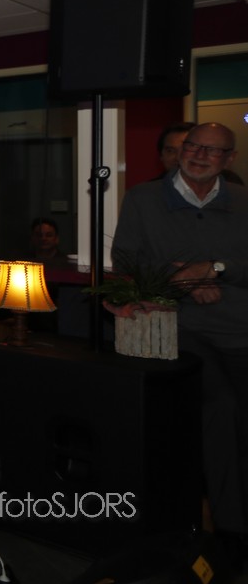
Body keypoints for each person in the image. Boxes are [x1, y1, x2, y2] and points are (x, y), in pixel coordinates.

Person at [113, 122, 248, 545]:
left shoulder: (243, 200)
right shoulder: (144, 198)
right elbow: (125, 261)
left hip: (241, 329)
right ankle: (232, 531)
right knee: (222, 409)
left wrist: (217, 268)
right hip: (183, 328)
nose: (200, 155)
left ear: (230, 159)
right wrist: (184, 277)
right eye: (193, 146)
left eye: (213, 150)